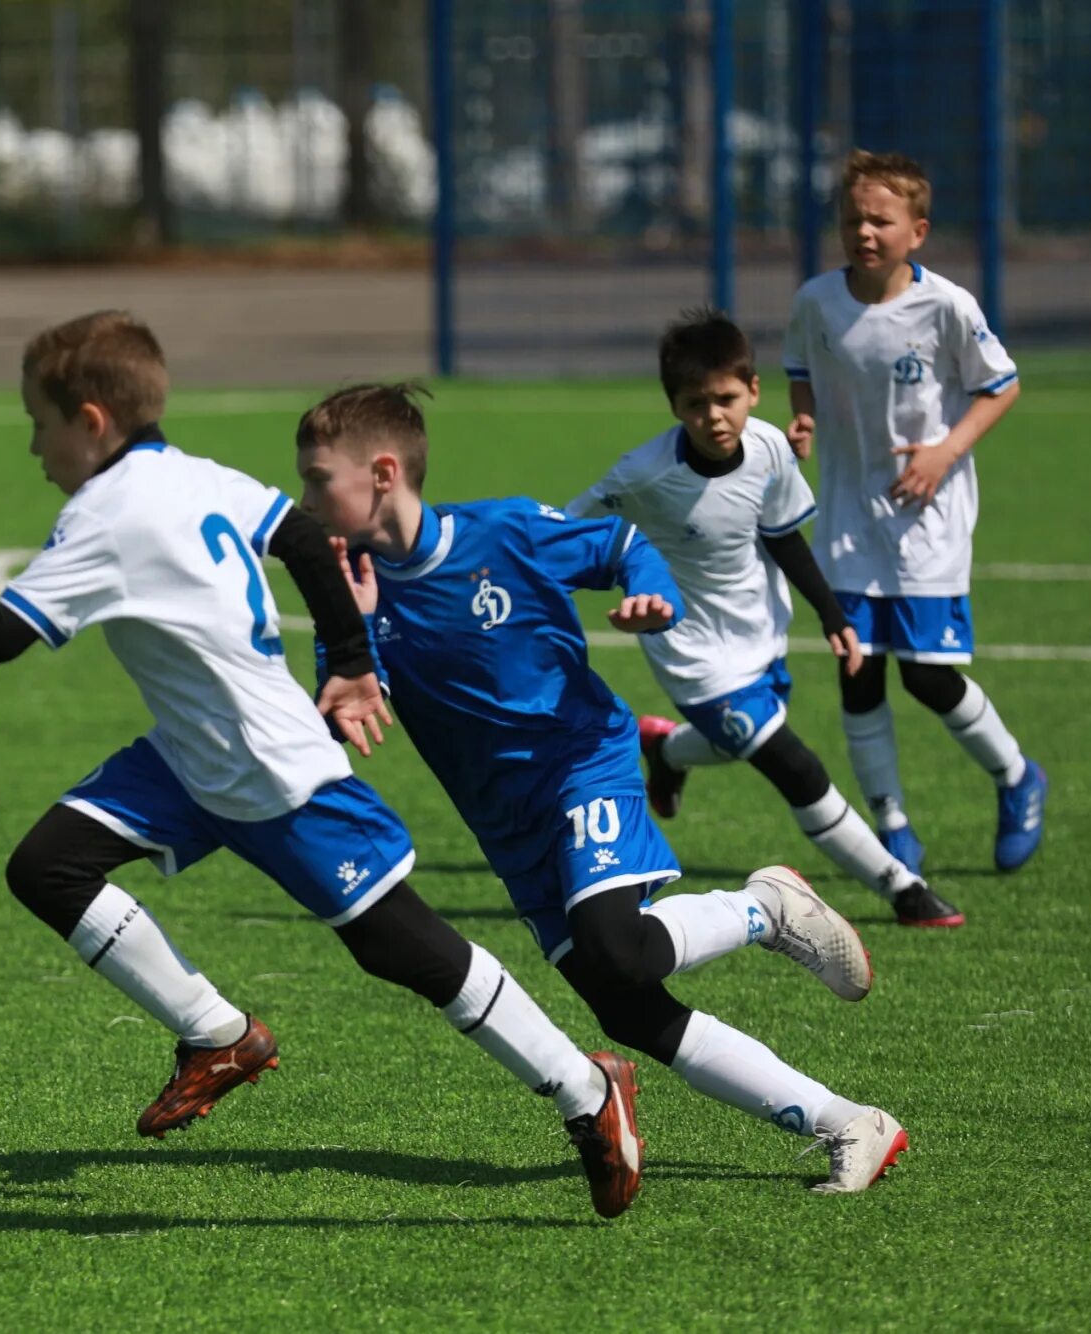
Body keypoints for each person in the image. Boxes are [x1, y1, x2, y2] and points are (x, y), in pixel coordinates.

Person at [0, 311, 645, 1218]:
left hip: (268, 768)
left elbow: (2, 634)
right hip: (190, 755)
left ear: (90, 421)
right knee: (48, 865)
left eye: (37, 423)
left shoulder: (104, 513)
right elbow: (299, 538)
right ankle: (216, 1032)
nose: (32, 446)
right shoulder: (196, 475)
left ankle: (584, 1087)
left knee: (400, 947)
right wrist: (354, 659)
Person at [296, 382, 905, 1193]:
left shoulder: (503, 529)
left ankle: (765, 909)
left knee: (620, 947)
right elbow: (346, 712)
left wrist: (652, 596)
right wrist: (359, 631)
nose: (305, 501)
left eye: (316, 479)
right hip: (505, 827)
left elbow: (621, 544)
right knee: (628, 1009)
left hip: (585, 765)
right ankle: (849, 1122)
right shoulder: (349, 593)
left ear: (380, 473)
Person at [568, 310, 962, 928]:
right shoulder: (641, 473)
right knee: (791, 763)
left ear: (753, 391)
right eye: (695, 404)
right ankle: (902, 887)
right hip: (691, 652)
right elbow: (565, 536)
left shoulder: (772, 448)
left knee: (744, 737)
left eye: (726, 398)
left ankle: (667, 750)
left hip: (759, 627)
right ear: (674, 406)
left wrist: (832, 614)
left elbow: (782, 536)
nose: (713, 416)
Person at [785, 149, 1043, 874]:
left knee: (928, 675)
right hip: (844, 516)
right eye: (851, 219)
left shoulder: (948, 306)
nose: (863, 232)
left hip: (925, 519)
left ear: (917, 231)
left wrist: (942, 452)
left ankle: (1018, 776)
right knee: (858, 670)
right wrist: (801, 421)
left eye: (880, 220)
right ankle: (892, 825)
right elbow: (801, 371)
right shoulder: (815, 302)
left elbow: (1001, 387)